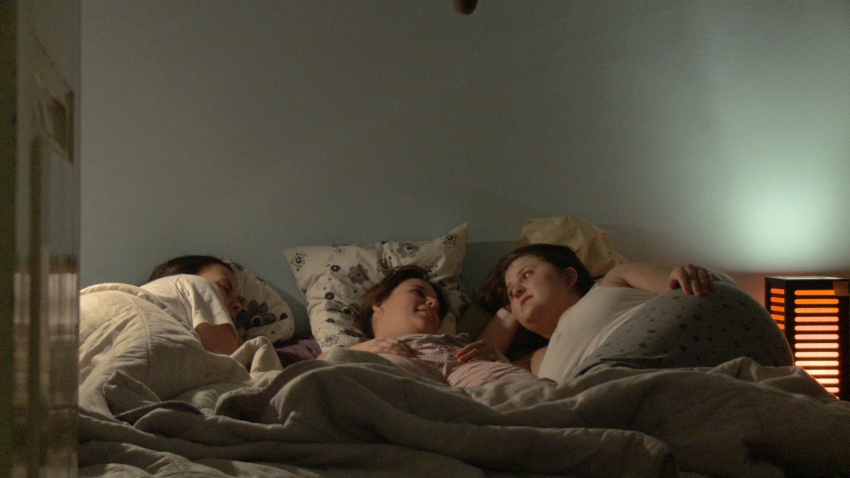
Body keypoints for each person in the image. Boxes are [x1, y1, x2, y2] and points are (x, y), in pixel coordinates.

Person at [475, 243, 794, 382]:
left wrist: (691, 274)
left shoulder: (614, 280)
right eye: (510, 291)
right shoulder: (535, 361)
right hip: (615, 385)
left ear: (569, 277)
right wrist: (510, 311)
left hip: (697, 344)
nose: (517, 290)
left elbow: (693, 285)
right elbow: (473, 364)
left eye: (527, 275)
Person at [324, 265, 540, 387]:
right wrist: (363, 350)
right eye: (418, 292)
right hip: (400, 371)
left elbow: (507, 317)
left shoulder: (460, 345)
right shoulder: (361, 352)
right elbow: (317, 366)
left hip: (470, 377)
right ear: (378, 303)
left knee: (524, 391)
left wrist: (500, 359)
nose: (433, 303)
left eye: (437, 306)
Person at [142, 255, 244, 355]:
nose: (239, 306)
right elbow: (227, 359)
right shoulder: (193, 283)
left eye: (239, 300)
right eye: (224, 287)